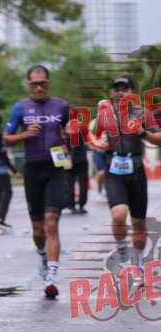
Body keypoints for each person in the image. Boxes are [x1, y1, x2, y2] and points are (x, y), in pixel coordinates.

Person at [3, 64, 70, 299]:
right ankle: (42, 254)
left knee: (52, 222)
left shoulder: (61, 106)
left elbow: (74, 132)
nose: (39, 88)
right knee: (38, 230)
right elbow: (5, 138)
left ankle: (51, 276)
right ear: (29, 84)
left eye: (42, 83)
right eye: (34, 84)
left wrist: (67, 144)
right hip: (32, 172)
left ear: (48, 83)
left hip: (55, 170)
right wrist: (24, 135)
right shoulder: (20, 107)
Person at [89, 76, 161, 277]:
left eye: (125, 89)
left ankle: (138, 262)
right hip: (114, 170)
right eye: (117, 89)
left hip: (136, 169)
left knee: (138, 222)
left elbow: (158, 139)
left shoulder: (142, 113)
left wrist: (142, 132)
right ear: (112, 92)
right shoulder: (104, 115)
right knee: (119, 214)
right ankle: (121, 248)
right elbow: (91, 136)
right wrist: (97, 143)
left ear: (132, 92)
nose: (120, 93)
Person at [63, 129, 89, 214]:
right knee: (83, 182)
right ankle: (81, 205)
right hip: (81, 157)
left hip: (69, 158)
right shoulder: (82, 128)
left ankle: (71, 204)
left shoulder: (65, 130)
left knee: (69, 182)